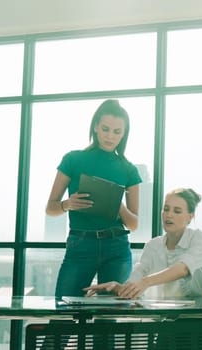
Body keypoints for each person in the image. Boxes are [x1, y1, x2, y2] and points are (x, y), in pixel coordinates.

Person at [45, 99, 142, 299]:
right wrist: (67, 204)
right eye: (106, 129)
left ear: (124, 134)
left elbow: (133, 224)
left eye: (117, 132)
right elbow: (50, 208)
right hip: (80, 244)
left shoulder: (129, 170)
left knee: (109, 318)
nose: (110, 136)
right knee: (64, 309)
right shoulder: (73, 159)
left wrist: (118, 205)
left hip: (117, 247)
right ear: (96, 126)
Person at [84, 188, 202, 299]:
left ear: (190, 216)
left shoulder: (199, 238)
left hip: (201, 316)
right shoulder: (153, 245)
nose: (169, 215)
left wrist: (146, 282)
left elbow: (183, 268)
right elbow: (139, 275)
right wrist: (119, 287)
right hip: (165, 319)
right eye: (166, 209)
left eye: (177, 211)